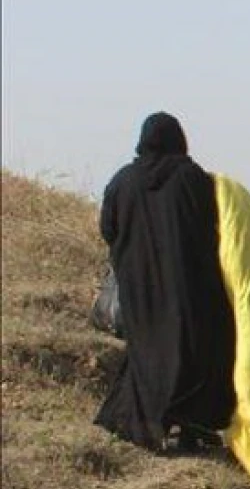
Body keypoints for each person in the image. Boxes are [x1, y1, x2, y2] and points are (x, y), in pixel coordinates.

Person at [95, 112, 236, 453]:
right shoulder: (193, 178)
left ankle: (147, 425)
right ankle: (192, 426)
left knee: (147, 354)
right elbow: (216, 227)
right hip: (190, 287)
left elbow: (108, 229)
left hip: (140, 289)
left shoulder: (122, 181)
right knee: (198, 352)